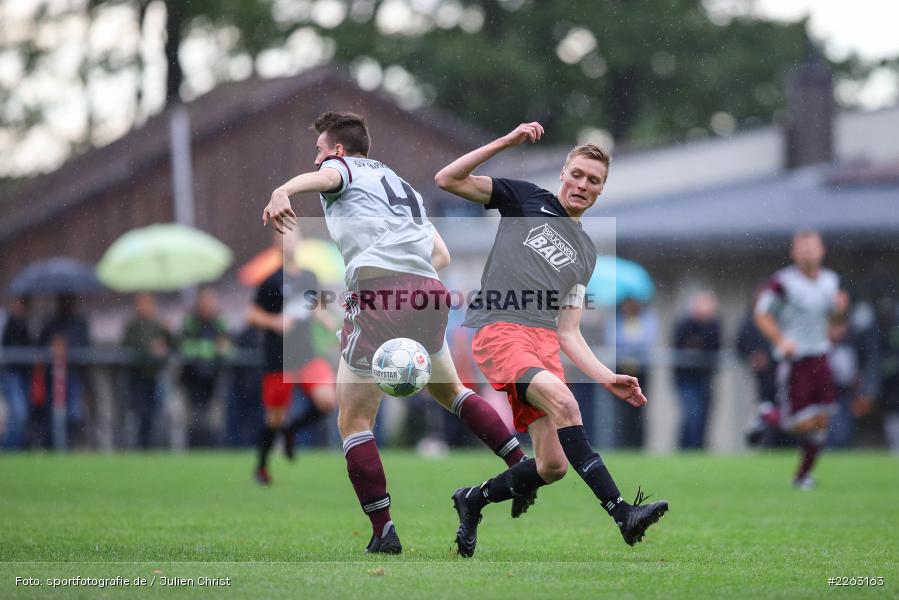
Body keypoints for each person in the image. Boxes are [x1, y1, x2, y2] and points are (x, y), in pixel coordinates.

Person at [262, 111, 531, 554]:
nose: (316, 161)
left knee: (353, 421)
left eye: (319, 151)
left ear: (338, 150)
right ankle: (520, 466)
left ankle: (383, 531)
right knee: (455, 393)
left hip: (380, 297)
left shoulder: (342, 170)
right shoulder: (401, 186)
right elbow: (440, 253)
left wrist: (281, 191)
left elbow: (325, 179)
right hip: (428, 291)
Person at [434, 121, 668, 557]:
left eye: (593, 181)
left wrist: (604, 376)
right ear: (563, 174)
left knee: (553, 466)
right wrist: (506, 142)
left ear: (601, 191)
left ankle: (472, 499)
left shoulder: (587, 253)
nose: (582, 184)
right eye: (576, 174)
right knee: (565, 403)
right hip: (501, 330)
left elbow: (569, 331)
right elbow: (447, 179)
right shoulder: (525, 198)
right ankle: (622, 513)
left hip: (542, 344)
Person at [754, 229, 848, 489]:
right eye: (802, 247)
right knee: (798, 423)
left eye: (812, 246)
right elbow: (762, 314)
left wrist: (840, 311)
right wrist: (781, 341)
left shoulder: (831, 281)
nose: (807, 251)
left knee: (822, 422)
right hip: (796, 360)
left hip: (821, 355)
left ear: (822, 250)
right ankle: (767, 415)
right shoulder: (783, 282)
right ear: (794, 253)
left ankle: (802, 476)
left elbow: (835, 323)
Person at [249, 228, 338, 485]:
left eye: (294, 235)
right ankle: (262, 468)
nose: (290, 240)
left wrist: (327, 320)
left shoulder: (310, 276)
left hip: (307, 354)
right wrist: (275, 321)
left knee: (327, 401)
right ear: (277, 244)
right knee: (273, 418)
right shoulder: (271, 280)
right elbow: (252, 315)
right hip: (279, 358)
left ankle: (291, 431)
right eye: (284, 237)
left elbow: (317, 306)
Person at [179, 287, 232, 447]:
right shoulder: (191, 322)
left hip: (214, 378)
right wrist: (212, 348)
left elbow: (229, 348)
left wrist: (221, 349)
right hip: (192, 378)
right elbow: (186, 347)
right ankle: (193, 446)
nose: (208, 305)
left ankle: (212, 447)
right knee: (193, 418)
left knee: (213, 419)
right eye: (205, 301)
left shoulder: (220, 321)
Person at [39, 294, 90, 450]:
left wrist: (68, 346)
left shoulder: (79, 323)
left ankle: (69, 445)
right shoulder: (51, 322)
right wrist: (52, 345)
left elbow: (85, 345)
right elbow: (41, 344)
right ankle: (52, 448)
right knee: (51, 414)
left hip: (73, 374)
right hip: (52, 376)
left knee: (73, 414)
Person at [122, 293, 172, 449]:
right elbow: (128, 348)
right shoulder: (132, 327)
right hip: (137, 376)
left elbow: (172, 345)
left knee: (155, 413)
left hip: (155, 375)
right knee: (139, 412)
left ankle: (152, 446)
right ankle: (140, 445)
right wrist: (149, 351)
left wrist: (168, 333)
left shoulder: (158, 326)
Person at [672, 291, 721, 450]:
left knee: (704, 415)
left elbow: (714, 345)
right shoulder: (684, 324)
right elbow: (679, 344)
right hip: (685, 378)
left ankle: (699, 447)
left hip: (705, 378)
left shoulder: (714, 325)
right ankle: (686, 448)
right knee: (692, 414)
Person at [610, 296, 657, 448]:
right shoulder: (617, 321)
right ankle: (623, 443)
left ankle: (638, 444)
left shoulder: (647, 319)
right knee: (621, 411)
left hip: (640, 371)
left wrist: (629, 345)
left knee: (639, 409)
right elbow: (613, 341)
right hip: (621, 371)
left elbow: (647, 341)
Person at [1, 296, 33, 449]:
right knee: (17, 412)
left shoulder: (24, 324)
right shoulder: (10, 323)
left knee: (20, 413)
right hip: (10, 374)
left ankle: (14, 447)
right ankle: (10, 447)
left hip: (22, 375)